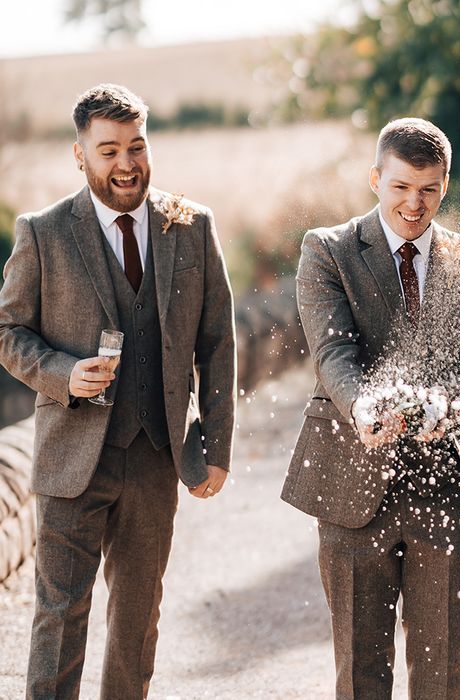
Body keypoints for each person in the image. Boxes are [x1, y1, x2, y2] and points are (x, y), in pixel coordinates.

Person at [0, 83, 236, 699]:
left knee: (137, 622)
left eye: (137, 145)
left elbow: (217, 344)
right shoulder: (43, 232)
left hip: (156, 454)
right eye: (109, 150)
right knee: (59, 617)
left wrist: (216, 444)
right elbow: (7, 331)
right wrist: (61, 374)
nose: (127, 163)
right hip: (71, 455)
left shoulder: (192, 226)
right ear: (79, 155)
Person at [281, 117, 460, 699]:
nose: (415, 203)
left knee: (441, 675)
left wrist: (445, 400)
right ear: (375, 179)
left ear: (446, 186)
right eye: (401, 186)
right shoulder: (326, 250)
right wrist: (364, 407)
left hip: (445, 490)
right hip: (351, 484)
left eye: (429, 188)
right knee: (361, 674)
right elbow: (333, 353)